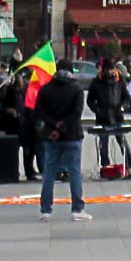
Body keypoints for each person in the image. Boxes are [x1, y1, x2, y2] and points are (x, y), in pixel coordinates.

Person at [35, 67, 90, 221]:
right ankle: (77, 209)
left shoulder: (45, 89)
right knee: (74, 173)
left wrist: (54, 127)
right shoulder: (77, 89)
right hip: (72, 136)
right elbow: (76, 114)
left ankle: (46, 210)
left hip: (52, 137)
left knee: (49, 173)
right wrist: (63, 127)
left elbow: (39, 111)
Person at [88, 61, 131, 176]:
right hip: (102, 116)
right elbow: (90, 100)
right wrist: (97, 110)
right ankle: (105, 166)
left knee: (122, 141)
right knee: (103, 143)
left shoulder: (120, 81)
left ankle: (129, 164)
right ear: (103, 70)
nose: (110, 72)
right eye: (107, 70)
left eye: (111, 69)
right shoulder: (96, 82)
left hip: (117, 116)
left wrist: (123, 108)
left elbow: (126, 99)